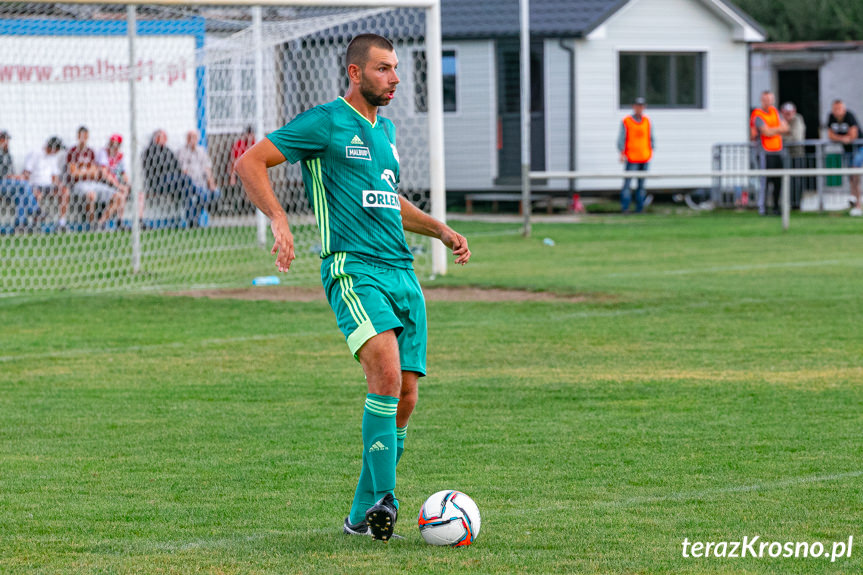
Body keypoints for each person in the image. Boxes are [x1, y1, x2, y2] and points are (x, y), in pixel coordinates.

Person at [235, 33, 471, 542]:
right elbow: (249, 162)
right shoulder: (325, 122)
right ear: (355, 72)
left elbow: (391, 201)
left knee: (405, 395)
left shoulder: (383, 132)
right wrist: (278, 218)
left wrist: (441, 230)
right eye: (384, 68)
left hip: (402, 273)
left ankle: (361, 515)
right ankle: (387, 498)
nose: (395, 78)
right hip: (353, 269)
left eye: (396, 69)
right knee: (384, 375)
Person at [141, 129, 215, 227]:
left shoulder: (168, 151)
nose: (165, 139)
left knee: (186, 190)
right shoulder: (149, 151)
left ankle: (192, 220)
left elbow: (177, 167)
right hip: (159, 183)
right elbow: (154, 170)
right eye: (162, 137)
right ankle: (202, 196)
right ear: (156, 138)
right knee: (187, 182)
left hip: (175, 182)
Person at [750, 91, 788, 215]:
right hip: (764, 153)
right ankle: (763, 208)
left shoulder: (775, 112)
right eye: (766, 100)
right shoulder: (757, 114)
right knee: (765, 181)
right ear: (762, 100)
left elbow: (785, 128)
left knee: (778, 182)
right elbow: (766, 132)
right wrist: (777, 129)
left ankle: (776, 207)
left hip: (778, 151)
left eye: (771, 99)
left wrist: (773, 130)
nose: (769, 102)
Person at [617, 97, 654, 213]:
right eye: (638, 106)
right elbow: (621, 138)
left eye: (642, 106)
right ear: (634, 107)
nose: (640, 108)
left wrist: (651, 149)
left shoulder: (647, 121)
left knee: (641, 186)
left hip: (644, 156)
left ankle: (640, 208)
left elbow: (650, 138)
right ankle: (625, 208)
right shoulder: (627, 121)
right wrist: (622, 152)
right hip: (631, 157)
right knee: (627, 184)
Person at [24, 136, 68, 229]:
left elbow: (54, 177)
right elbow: (26, 173)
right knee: (37, 194)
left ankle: (62, 223)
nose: (58, 152)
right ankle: (35, 224)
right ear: (52, 148)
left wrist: (61, 186)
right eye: (57, 149)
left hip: (48, 186)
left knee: (65, 192)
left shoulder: (53, 158)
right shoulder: (35, 154)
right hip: (35, 184)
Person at [826, 99, 861, 216]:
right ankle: (854, 200)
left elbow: (853, 135)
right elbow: (830, 135)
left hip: (859, 148)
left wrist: (845, 138)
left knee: (854, 170)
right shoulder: (831, 117)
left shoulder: (849, 116)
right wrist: (842, 139)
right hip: (847, 150)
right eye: (835, 109)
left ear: (844, 109)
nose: (838, 111)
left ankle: (857, 203)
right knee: (851, 175)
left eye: (840, 108)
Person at [0, 130, 40, 231]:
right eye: (4, 139)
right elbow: (4, 175)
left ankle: (20, 224)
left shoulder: (7, 155)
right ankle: (34, 209)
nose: (6, 142)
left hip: (9, 186)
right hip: (2, 184)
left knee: (21, 193)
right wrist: (15, 177)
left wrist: (15, 177)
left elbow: (11, 173)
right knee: (23, 184)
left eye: (7, 140)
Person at [177, 129, 220, 220]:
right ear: (187, 139)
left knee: (216, 192)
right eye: (191, 137)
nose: (193, 140)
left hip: (203, 182)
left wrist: (211, 183)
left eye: (195, 137)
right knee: (202, 195)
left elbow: (207, 168)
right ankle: (193, 218)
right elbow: (183, 170)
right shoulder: (182, 152)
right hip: (190, 184)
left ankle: (195, 216)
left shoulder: (201, 151)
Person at [91, 134, 131, 229]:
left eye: (116, 144)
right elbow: (105, 174)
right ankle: (101, 223)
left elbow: (123, 173)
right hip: (104, 183)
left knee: (130, 192)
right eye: (112, 144)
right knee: (121, 195)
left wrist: (127, 183)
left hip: (116, 184)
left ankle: (120, 221)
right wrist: (118, 185)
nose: (114, 147)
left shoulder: (120, 156)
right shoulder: (103, 153)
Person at [781, 102, 807, 209]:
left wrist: (781, 137)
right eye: (786, 113)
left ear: (794, 112)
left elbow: (796, 138)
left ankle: (796, 204)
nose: (788, 115)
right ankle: (785, 203)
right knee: (784, 180)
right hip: (783, 156)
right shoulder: (780, 121)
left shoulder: (797, 119)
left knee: (797, 180)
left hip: (797, 155)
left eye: (790, 113)